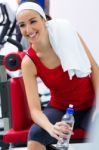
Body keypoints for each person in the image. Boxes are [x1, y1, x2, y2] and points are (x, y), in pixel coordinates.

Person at [16, 2, 99, 150]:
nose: (28, 30)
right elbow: (35, 110)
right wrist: (50, 128)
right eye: (22, 25)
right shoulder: (28, 61)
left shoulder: (68, 36)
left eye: (33, 21)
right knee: (35, 138)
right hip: (61, 109)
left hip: (91, 106)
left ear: (44, 20)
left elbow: (94, 69)